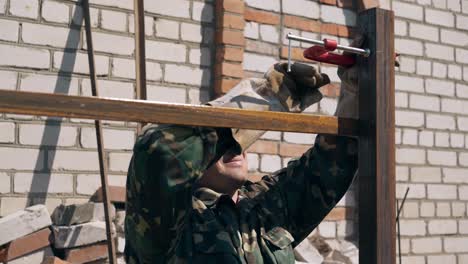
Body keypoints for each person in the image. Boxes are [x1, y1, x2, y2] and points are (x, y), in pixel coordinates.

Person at [123, 57, 359, 263]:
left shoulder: (263, 209)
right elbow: (156, 150)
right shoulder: (172, 221)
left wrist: (355, 89)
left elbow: (330, 165)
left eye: (241, 139)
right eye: (225, 142)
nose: (237, 145)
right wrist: (266, 98)